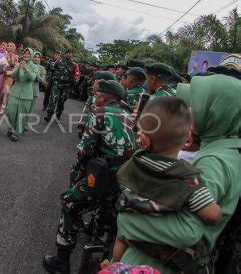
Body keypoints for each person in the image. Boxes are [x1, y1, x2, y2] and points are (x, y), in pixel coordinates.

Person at [117, 74, 241, 273]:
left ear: (215, 111)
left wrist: (126, 221)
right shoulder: (221, 151)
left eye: (195, 104)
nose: (189, 111)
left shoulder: (214, 162)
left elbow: (187, 230)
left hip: (156, 264)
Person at [112, 97, 222, 264]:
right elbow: (211, 215)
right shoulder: (187, 177)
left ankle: (115, 266)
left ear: (146, 139)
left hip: (129, 234)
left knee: (120, 239)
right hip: (165, 252)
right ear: (188, 139)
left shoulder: (134, 162)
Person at [43, 80, 136, 274]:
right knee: (105, 218)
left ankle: (62, 260)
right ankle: (95, 267)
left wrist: (77, 178)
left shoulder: (99, 114)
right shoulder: (130, 117)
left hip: (102, 177)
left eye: (97, 94)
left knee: (69, 202)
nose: (95, 97)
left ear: (103, 96)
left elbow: (85, 151)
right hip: (123, 182)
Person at [6, 48, 37, 141]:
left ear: (31, 55)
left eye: (28, 54)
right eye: (25, 53)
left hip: (27, 94)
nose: (26, 55)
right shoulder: (18, 64)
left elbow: (32, 78)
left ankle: (16, 132)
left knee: (22, 115)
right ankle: (11, 127)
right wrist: (19, 68)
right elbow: (12, 76)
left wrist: (27, 69)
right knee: (10, 111)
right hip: (15, 92)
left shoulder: (35, 67)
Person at [45, 48, 77, 123]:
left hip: (66, 85)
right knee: (53, 99)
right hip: (57, 83)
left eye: (70, 53)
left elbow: (75, 77)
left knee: (61, 101)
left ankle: (58, 115)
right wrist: (48, 81)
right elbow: (52, 70)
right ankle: (49, 115)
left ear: (72, 55)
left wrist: (72, 87)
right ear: (65, 54)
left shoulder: (75, 65)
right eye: (68, 53)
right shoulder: (58, 62)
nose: (69, 54)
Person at [0, 42, 18, 114]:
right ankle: (0, 103)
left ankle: (3, 106)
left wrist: (10, 61)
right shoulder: (4, 55)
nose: (9, 47)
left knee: (6, 90)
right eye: (8, 46)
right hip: (3, 74)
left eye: (10, 46)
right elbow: (0, 64)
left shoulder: (16, 56)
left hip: (10, 75)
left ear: (13, 47)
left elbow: (15, 65)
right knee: (1, 89)